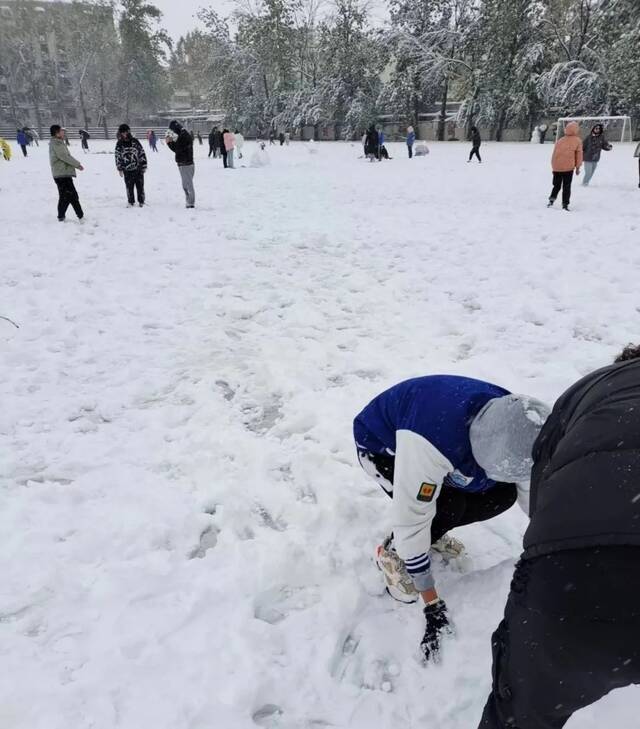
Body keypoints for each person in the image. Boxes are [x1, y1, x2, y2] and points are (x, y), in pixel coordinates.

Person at [479, 344, 640, 729]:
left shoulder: (591, 387)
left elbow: (543, 474)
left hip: (572, 579)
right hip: (578, 567)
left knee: (519, 716)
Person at [354, 376, 549, 662]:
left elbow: (531, 490)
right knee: (445, 507)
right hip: (384, 447)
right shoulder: (426, 443)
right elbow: (412, 517)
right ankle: (392, 554)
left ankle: (432, 533)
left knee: (501, 495)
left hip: (449, 440)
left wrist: (552, 539)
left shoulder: (520, 420)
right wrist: (431, 604)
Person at [49, 124, 84, 221]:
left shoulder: (59, 142)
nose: (63, 132)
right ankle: (63, 216)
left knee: (71, 196)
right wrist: (77, 165)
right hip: (61, 174)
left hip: (63, 173)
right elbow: (65, 157)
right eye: (61, 131)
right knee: (67, 196)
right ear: (56, 133)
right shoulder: (56, 144)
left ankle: (80, 216)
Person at [547, 121, 582, 210]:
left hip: (556, 167)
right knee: (566, 186)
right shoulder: (577, 140)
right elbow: (579, 154)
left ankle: (551, 200)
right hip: (568, 168)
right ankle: (565, 204)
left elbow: (554, 154)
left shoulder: (560, 140)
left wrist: (554, 167)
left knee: (556, 185)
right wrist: (578, 167)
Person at [115, 123, 147, 207]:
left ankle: (141, 201)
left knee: (140, 186)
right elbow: (117, 156)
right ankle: (131, 201)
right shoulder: (119, 143)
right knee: (129, 187)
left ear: (128, 132)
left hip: (138, 168)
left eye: (126, 132)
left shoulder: (135, 141)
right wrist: (119, 168)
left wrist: (144, 165)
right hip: (127, 170)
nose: (124, 134)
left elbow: (141, 153)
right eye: (122, 132)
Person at [165, 120, 195, 209]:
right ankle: (189, 201)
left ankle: (190, 203)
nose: (173, 132)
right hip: (186, 163)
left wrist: (169, 143)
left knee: (187, 184)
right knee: (186, 184)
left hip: (185, 163)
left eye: (172, 130)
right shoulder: (183, 134)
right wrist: (171, 142)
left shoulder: (183, 136)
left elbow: (177, 149)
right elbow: (178, 147)